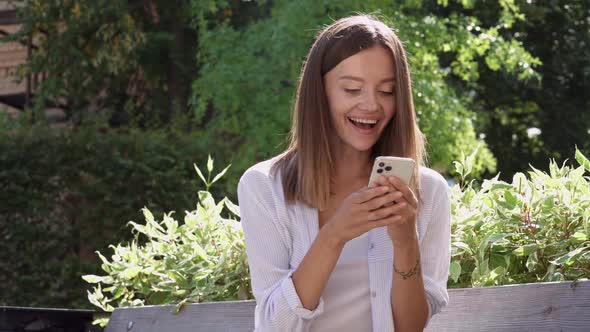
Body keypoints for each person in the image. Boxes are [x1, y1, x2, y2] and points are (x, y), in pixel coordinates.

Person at [237, 14, 450, 332]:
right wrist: (334, 235)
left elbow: (410, 328)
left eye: (387, 91)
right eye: (352, 89)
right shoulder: (264, 186)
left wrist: (406, 241)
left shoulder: (427, 191)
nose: (371, 105)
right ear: (319, 93)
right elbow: (274, 324)